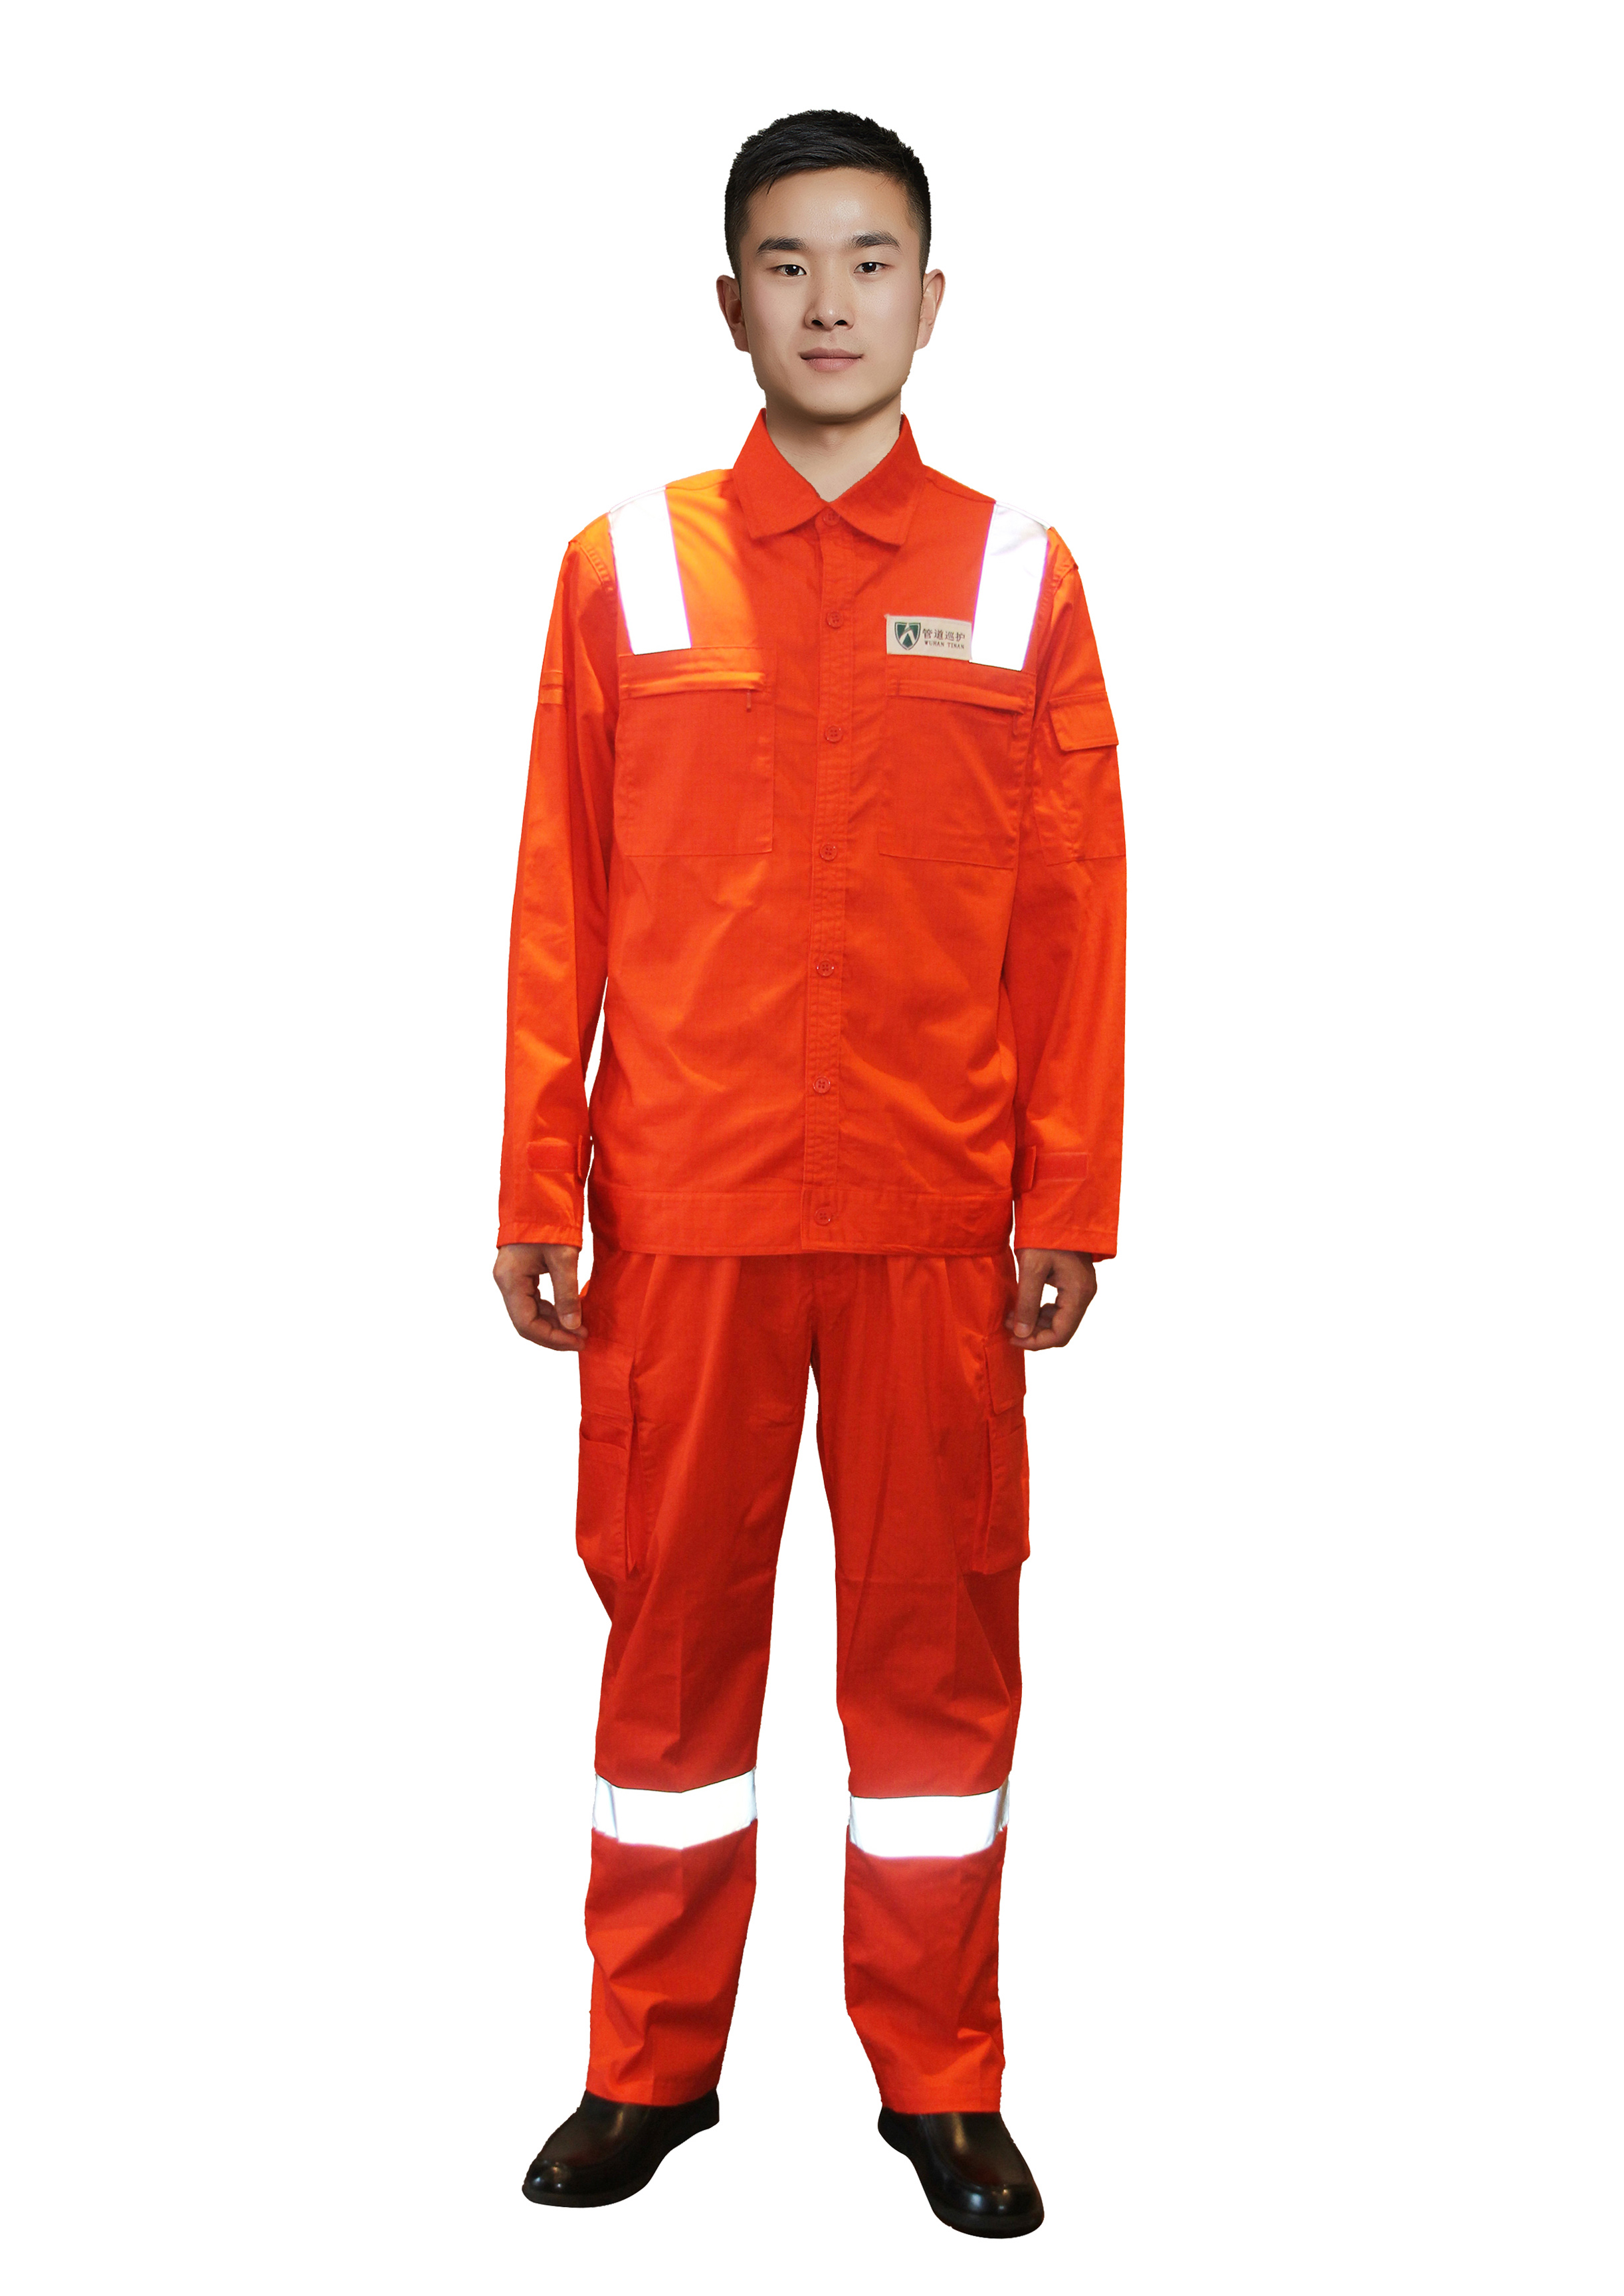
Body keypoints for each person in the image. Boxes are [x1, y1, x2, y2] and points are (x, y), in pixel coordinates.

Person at [492, 108, 1125, 2239]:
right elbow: (560, 896)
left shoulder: (1019, 576)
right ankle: (644, 2067)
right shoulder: (627, 567)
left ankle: (940, 2082)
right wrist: (535, 1180)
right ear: (728, 301)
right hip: (683, 1218)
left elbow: (1075, 908)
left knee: (936, 1662)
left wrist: (1068, 1197)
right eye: (787, 264)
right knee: (669, 1653)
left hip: (937, 1226)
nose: (828, 302)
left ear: (931, 301)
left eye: (868, 263)